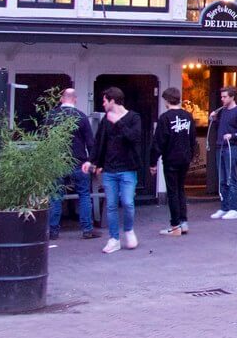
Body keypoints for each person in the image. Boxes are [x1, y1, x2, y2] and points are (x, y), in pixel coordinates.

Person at [85, 87, 143, 254]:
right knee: (110, 205)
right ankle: (113, 239)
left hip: (128, 168)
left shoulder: (133, 117)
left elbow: (134, 137)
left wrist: (118, 122)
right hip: (110, 169)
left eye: (104, 100)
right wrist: (92, 161)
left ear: (112, 101)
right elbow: (99, 143)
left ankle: (129, 230)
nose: (103, 104)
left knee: (127, 202)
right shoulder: (105, 121)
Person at [47, 88, 99, 240]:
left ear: (61, 99)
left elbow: (44, 139)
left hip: (57, 162)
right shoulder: (81, 116)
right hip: (78, 162)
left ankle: (53, 231)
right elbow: (90, 142)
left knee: (55, 196)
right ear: (75, 99)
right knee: (84, 195)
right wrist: (91, 162)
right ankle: (87, 229)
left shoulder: (51, 116)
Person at [150, 87, 196, 237]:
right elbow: (192, 139)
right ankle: (184, 222)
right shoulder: (188, 116)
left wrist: (152, 162)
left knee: (172, 192)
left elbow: (158, 142)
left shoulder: (165, 118)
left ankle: (175, 225)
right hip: (185, 158)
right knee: (181, 190)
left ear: (167, 100)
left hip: (171, 159)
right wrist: (190, 155)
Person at [209, 86, 237, 220]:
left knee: (232, 178)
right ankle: (224, 207)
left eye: (225, 96)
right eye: (222, 97)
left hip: (232, 147)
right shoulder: (223, 111)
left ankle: (234, 208)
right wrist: (214, 120)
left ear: (232, 97)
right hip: (220, 146)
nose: (222, 99)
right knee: (222, 179)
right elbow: (220, 126)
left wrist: (233, 135)